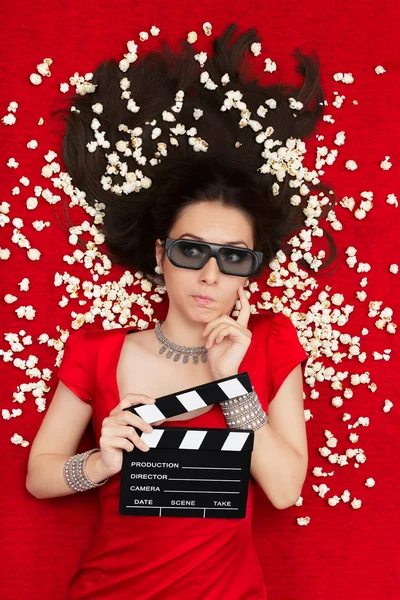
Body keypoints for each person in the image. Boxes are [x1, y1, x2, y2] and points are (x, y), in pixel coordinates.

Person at [26, 23, 337, 599]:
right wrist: (98, 461)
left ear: (250, 267)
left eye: (233, 257)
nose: (210, 275)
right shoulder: (97, 351)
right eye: (192, 250)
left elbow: (285, 488)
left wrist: (234, 387)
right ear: (159, 255)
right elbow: (40, 476)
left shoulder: (269, 343)